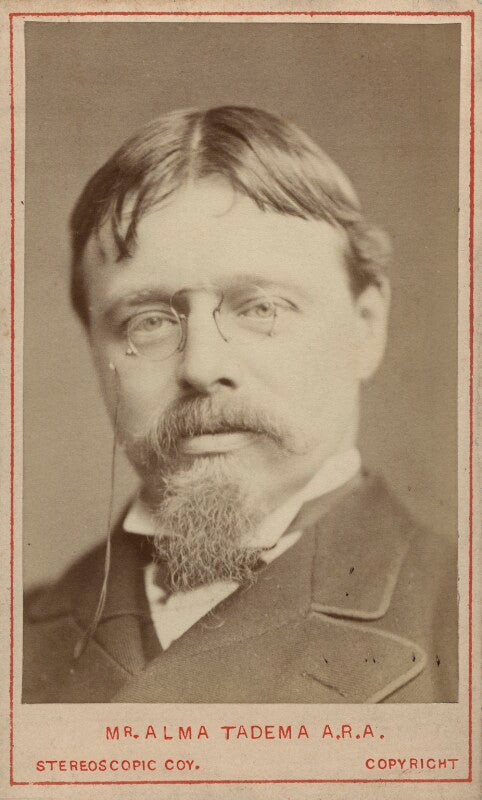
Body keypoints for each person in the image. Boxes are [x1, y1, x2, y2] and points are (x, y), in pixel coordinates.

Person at [23, 106, 457, 703]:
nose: (201, 367)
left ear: (366, 327)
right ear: (96, 349)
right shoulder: (19, 643)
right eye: (148, 321)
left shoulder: (459, 621)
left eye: (261, 308)